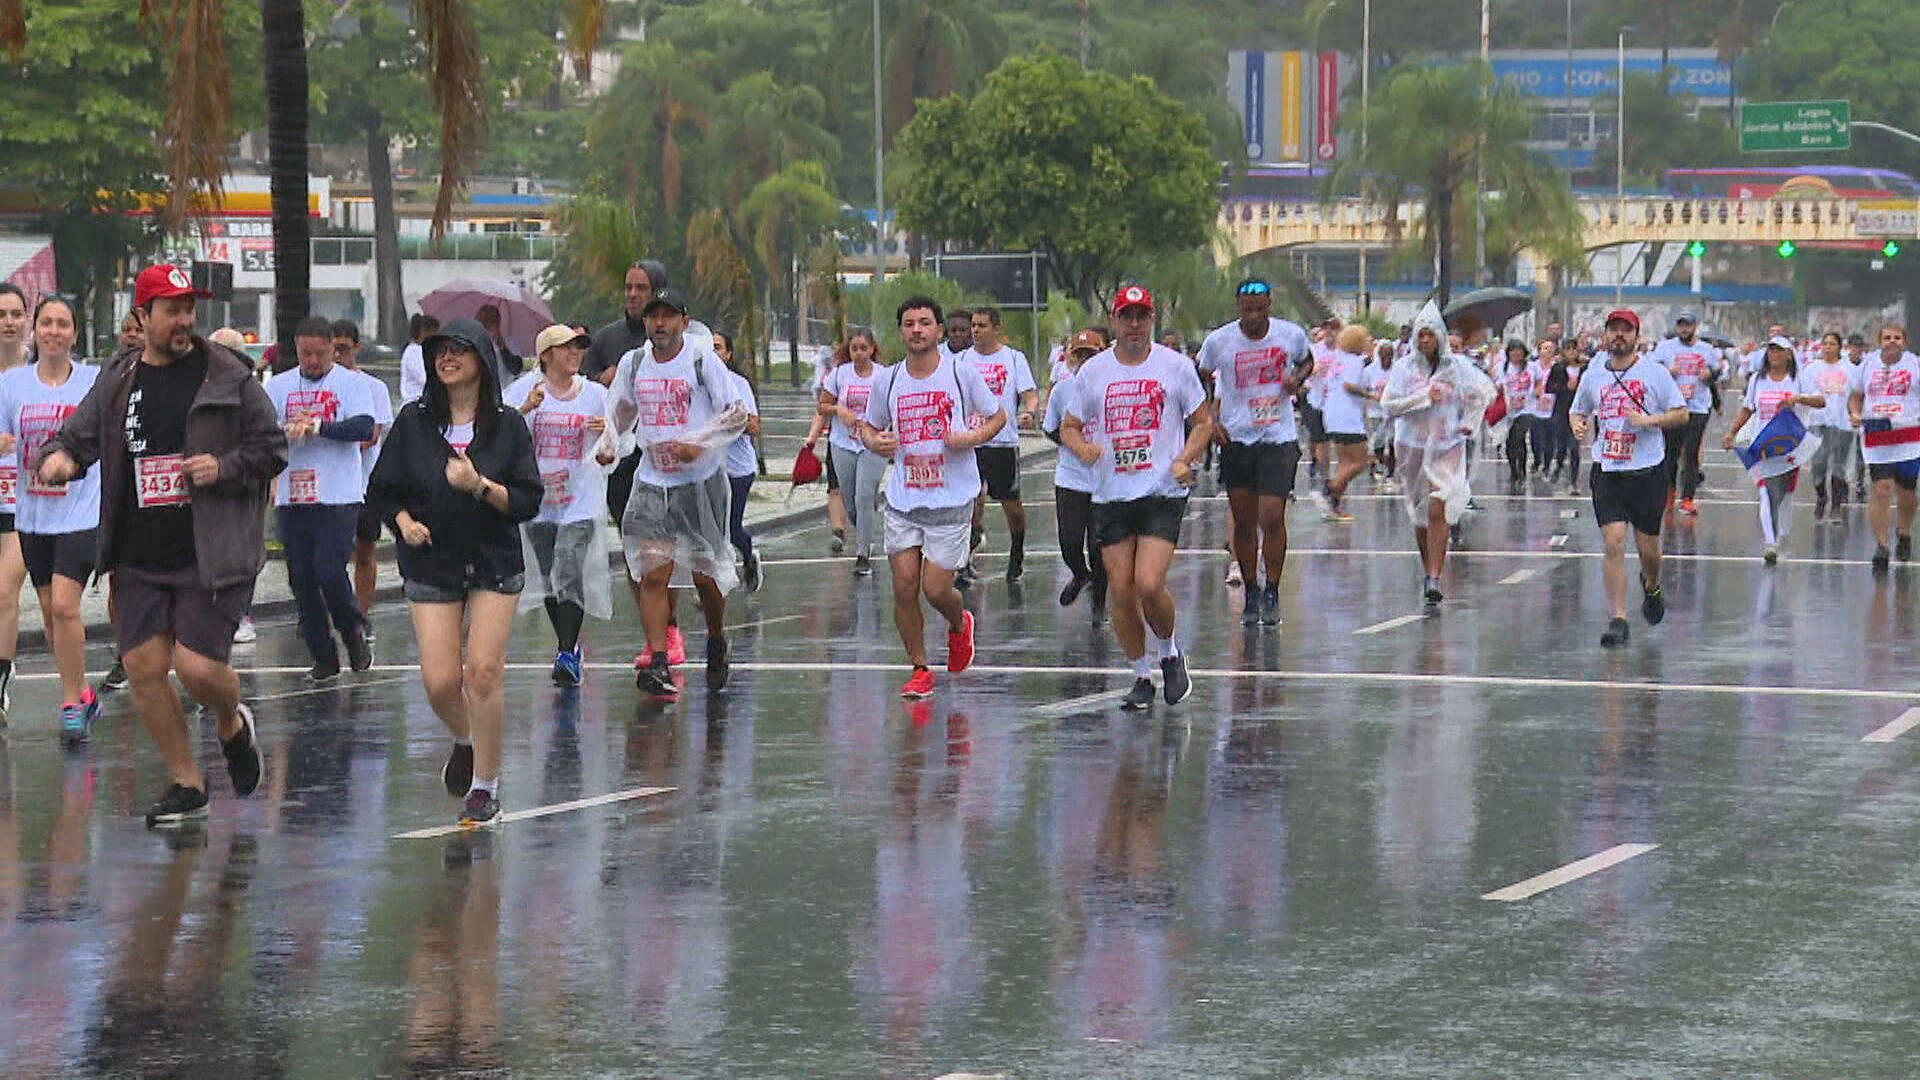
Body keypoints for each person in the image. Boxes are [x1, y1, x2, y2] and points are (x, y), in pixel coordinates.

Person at [38, 264, 286, 827]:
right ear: (142, 316)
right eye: (171, 309)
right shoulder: (120, 378)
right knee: (144, 667)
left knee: (198, 669)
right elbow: (76, 437)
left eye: (188, 308)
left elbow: (270, 447)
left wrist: (221, 466)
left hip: (209, 550)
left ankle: (232, 723)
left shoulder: (227, 374)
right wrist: (61, 460)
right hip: (138, 554)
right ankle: (187, 781)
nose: (183, 320)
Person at [367, 317, 542, 825]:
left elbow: (528, 500)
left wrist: (479, 486)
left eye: (459, 350)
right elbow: (383, 488)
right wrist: (402, 523)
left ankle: (486, 784)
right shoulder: (413, 422)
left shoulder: (507, 424)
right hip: (432, 562)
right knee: (440, 682)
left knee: (483, 671)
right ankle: (465, 738)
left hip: (493, 560)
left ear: (482, 361)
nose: (447, 358)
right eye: (440, 350)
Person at [1062, 285, 1209, 710]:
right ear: (1114, 320)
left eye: (1141, 316)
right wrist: (1083, 449)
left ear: (1151, 320)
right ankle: (1141, 676)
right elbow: (1070, 425)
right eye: (1126, 316)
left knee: (1148, 582)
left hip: (1161, 490)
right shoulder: (1094, 373)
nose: (1133, 325)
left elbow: (1202, 422)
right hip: (1111, 493)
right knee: (1121, 591)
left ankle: (1169, 653)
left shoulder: (1176, 367)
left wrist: (1184, 458)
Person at [861, 296, 1001, 699]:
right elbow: (869, 429)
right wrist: (877, 442)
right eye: (909, 324)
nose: (917, 330)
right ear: (901, 331)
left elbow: (997, 417)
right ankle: (920, 668)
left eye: (925, 323)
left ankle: (960, 625)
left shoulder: (961, 373)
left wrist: (970, 438)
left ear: (939, 330)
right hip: (904, 499)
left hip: (951, 498)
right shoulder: (887, 380)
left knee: (936, 590)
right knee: (904, 587)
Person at [610, 288, 747, 698]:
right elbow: (619, 412)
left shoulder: (702, 360)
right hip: (653, 481)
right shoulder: (634, 363)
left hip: (699, 484)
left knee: (705, 580)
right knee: (653, 572)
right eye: (654, 317)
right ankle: (657, 659)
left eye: (669, 316)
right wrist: (607, 446)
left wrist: (700, 442)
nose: (660, 324)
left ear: (684, 322)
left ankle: (716, 638)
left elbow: (736, 413)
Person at [0, 295, 102, 742]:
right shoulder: (13, 385)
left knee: (64, 605)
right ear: (35, 331)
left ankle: (69, 704)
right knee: (49, 612)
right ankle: (84, 694)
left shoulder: (93, 382)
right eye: (46, 323)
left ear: (74, 333)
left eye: (63, 324)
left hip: (81, 513)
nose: (54, 331)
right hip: (33, 516)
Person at [264, 317, 379, 682]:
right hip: (294, 495)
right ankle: (323, 656)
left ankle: (353, 632)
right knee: (301, 578)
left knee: (330, 570)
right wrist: (286, 431)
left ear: (334, 349)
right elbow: (259, 433)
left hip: (338, 494)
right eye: (304, 354)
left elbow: (363, 427)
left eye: (319, 354)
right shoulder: (279, 386)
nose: (312, 361)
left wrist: (320, 426)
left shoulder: (351, 385)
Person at [504, 324, 617, 687]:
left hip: (580, 498)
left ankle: (567, 652)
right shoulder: (525, 390)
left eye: (579, 348)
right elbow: (498, 432)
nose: (575, 354)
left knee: (569, 567)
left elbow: (616, 442)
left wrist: (606, 449)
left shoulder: (596, 394)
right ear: (546, 355)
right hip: (539, 500)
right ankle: (566, 647)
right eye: (566, 348)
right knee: (553, 576)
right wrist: (525, 409)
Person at [1569, 309, 1689, 647]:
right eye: (1613, 330)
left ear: (1637, 336)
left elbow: (1681, 414)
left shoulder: (1655, 373)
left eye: (1626, 330)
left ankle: (1651, 586)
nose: (1619, 336)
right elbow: (1578, 409)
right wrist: (1577, 424)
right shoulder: (1593, 374)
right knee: (1614, 541)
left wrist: (1648, 422)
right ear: (1605, 336)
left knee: (1649, 549)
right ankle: (1618, 619)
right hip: (1607, 470)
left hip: (1647, 470)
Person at [1197, 279, 1309, 627]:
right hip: (1237, 438)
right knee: (1243, 522)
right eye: (1248, 310)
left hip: (1278, 436)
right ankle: (1251, 588)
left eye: (1261, 309)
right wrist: (1210, 420)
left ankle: (1273, 588)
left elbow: (1308, 361)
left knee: (1271, 516)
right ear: (1238, 308)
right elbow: (1198, 378)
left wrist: (1297, 380)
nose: (1254, 316)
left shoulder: (1290, 335)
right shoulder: (1219, 341)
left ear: (1270, 305)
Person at [1379, 302, 1496, 606]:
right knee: (1419, 515)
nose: (1426, 341)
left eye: (1431, 335)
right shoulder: (1405, 368)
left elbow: (1483, 394)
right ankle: (1426, 565)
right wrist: (1421, 398)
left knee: (1437, 508)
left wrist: (1469, 424)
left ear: (1440, 337)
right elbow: (1388, 405)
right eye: (1422, 335)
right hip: (1412, 447)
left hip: (1446, 445)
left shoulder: (1456, 367)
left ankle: (1435, 575)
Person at [1722, 335, 1825, 564]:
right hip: (1763, 445)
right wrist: (1732, 433)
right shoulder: (1758, 380)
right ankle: (1770, 542)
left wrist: (1798, 399)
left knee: (1785, 494)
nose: (1774, 354)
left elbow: (1820, 401)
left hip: (1791, 446)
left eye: (1779, 350)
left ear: (1789, 354)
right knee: (1766, 492)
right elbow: (1747, 409)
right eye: (1771, 350)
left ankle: (1782, 537)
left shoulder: (1798, 379)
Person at [961, 307, 1038, 584]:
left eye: (982, 325)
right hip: (970, 441)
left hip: (1002, 441)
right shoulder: (961, 361)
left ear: (996, 328)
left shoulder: (1013, 359)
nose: (976, 330)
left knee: (1010, 503)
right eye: (973, 325)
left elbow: (1029, 394)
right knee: (971, 500)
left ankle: (1017, 551)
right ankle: (963, 559)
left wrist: (1029, 411)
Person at [328, 320, 396, 630]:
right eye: (334, 348)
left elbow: (370, 434)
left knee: (364, 550)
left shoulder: (374, 387)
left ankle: (362, 615)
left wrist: (331, 436)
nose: (338, 354)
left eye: (344, 348)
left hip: (364, 482)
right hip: (329, 484)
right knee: (330, 553)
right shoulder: (322, 386)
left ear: (357, 347)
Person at [1043, 329, 1107, 616]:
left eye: (1090, 356)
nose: (1084, 362)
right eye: (1079, 355)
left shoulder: (1111, 386)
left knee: (1099, 546)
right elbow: (1051, 427)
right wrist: (1074, 444)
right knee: (1070, 542)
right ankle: (1080, 574)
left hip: (1104, 480)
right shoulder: (1063, 390)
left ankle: (1100, 603)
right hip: (1070, 476)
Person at [1848, 323, 1920, 572]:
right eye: (1887, 337)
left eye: (1897, 338)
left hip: (1909, 434)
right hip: (1877, 431)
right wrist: (1855, 413)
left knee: (1907, 493)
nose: (1892, 341)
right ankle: (1881, 545)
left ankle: (1904, 532)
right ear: (1879, 341)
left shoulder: (1915, 364)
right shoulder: (1867, 364)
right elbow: (1856, 395)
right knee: (1882, 489)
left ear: (1905, 342)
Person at [817, 328, 888, 575]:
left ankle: (862, 554)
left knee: (864, 495)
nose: (858, 354)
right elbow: (822, 406)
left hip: (873, 443)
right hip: (843, 442)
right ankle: (865, 532)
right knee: (849, 499)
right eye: (854, 349)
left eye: (863, 348)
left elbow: (893, 404)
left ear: (872, 349)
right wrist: (839, 410)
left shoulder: (883, 375)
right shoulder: (839, 374)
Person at [1649, 311, 1721, 517]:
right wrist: (1667, 371)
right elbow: (1651, 369)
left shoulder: (1706, 349)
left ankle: (1688, 498)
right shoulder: (1666, 347)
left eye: (1687, 326)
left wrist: (1709, 375)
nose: (1684, 329)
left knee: (1691, 453)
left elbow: (1718, 371)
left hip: (1698, 407)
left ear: (1694, 327)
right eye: (1681, 325)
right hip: (1673, 407)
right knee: (1670, 453)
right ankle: (1669, 494)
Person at [714, 331, 764, 590]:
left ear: (728, 354)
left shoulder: (738, 384)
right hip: (708, 470)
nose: (713, 354)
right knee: (710, 529)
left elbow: (754, 426)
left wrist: (729, 420)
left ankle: (748, 554)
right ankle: (712, 586)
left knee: (731, 528)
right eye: (708, 348)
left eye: (718, 348)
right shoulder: (696, 384)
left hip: (738, 469)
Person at [0, 284, 30, 714]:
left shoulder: (44, 376)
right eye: (0, 314)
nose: (8, 322)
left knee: (4, 590)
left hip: (24, 504)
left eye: (15, 314)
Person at [1318, 323, 1373, 522]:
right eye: (1367, 338)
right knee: (1360, 462)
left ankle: (1335, 506)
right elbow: (1350, 385)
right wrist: (1371, 396)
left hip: (1332, 414)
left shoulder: (1337, 359)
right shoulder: (1354, 361)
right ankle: (1330, 490)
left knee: (1345, 461)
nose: (1369, 342)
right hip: (1347, 416)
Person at [1801, 332, 1856, 523]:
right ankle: (1821, 496)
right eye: (1825, 344)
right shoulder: (1811, 369)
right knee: (1818, 465)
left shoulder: (1850, 369)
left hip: (1843, 423)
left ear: (1839, 347)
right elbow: (1805, 394)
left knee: (1839, 466)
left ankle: (1836, 507)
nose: (1828, 347)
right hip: (1818, 422)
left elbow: (1855, 395)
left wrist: (1855, 415)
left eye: (1832, 344)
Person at [1497, 340, 1536, 486]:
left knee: (1519, 438)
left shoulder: (1531, 367)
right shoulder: (1504, 367)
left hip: (1526, 409)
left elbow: (1538, 382)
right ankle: (1513, 469)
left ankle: (1522, 470)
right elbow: (1499, 384)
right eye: (1513, 351)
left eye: (1519, 350)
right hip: (1508, 410)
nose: (1516, 354)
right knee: (1510, 443)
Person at [473, 303, 525, 384]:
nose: (487, 330)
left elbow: (516, 369)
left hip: (508, 389)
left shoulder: (509, 342)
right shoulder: (476, 343)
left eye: (490, 324)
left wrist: (502, 347)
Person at [399, 312, 439, 405]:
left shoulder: (421, 351)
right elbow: (424, 379)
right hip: (414, 403)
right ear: (424, 331)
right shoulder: (414, 352)